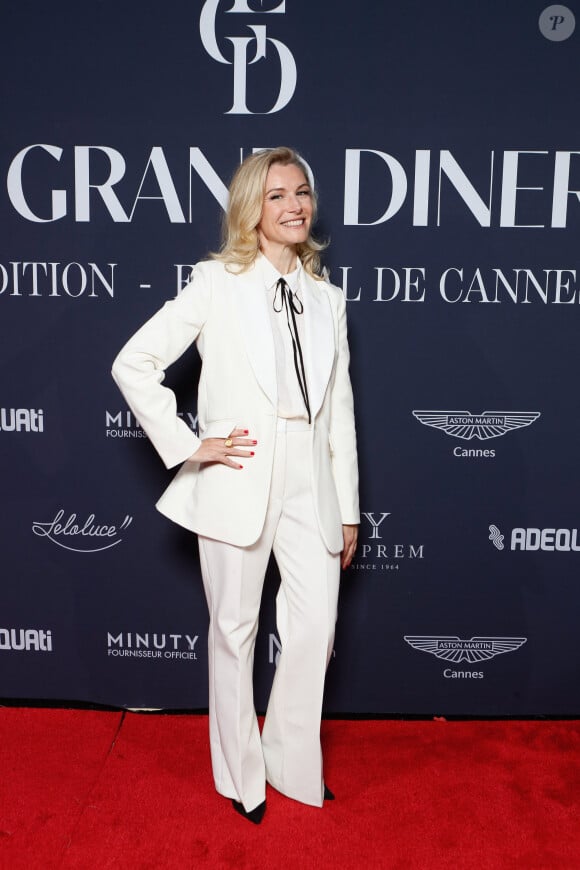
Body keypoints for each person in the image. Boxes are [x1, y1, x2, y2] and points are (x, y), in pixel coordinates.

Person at [112, 146, 359, 824]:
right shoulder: (217, 282)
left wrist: (348, 507)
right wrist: (192, 445)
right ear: (252, 209)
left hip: (312, 478)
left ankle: (288, 758)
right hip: (240, 470)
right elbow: (133, 363)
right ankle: (240, 775)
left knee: (314, 628)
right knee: (235, 629)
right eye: (278, 195)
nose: (295, 205)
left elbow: (338, 410)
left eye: (302, 192)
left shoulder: (326, 300)